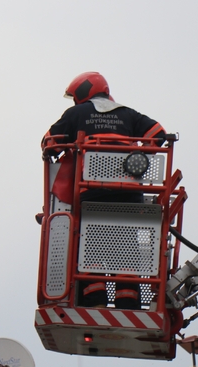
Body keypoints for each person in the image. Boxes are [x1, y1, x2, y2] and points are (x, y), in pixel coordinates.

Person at [42, 72, 167, 309]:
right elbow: (158, 134)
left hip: (92, 192)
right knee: (126, 246)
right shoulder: (128, 113)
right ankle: (128, 302)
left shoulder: (76, 114)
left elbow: (49, 141)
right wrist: (138, 160)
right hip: (130, 195)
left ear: (81, 93)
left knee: (91, 245)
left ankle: (95, 301)